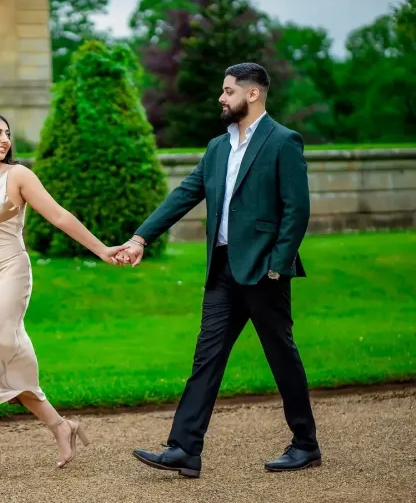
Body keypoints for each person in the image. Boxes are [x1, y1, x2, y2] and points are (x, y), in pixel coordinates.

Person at [117, 62, 321, 478]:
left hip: (264, 270)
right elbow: (185, 194)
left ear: (253, 94)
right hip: (223, 270)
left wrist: (279, 266)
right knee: (206, 358)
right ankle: (184, 449)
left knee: (281, 355)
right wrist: (140, 238)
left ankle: (305, 444)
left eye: (228, 91)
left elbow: (296, 210)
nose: (221, 98)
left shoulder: (283, 142)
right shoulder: (217, 148)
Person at [0, 113, 125, 479]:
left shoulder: (18, 176)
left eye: (8, 133)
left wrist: (101, 249)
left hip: (10, 274)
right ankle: (61, 426)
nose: (5, 139)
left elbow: (59, 216)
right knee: (7, 364)